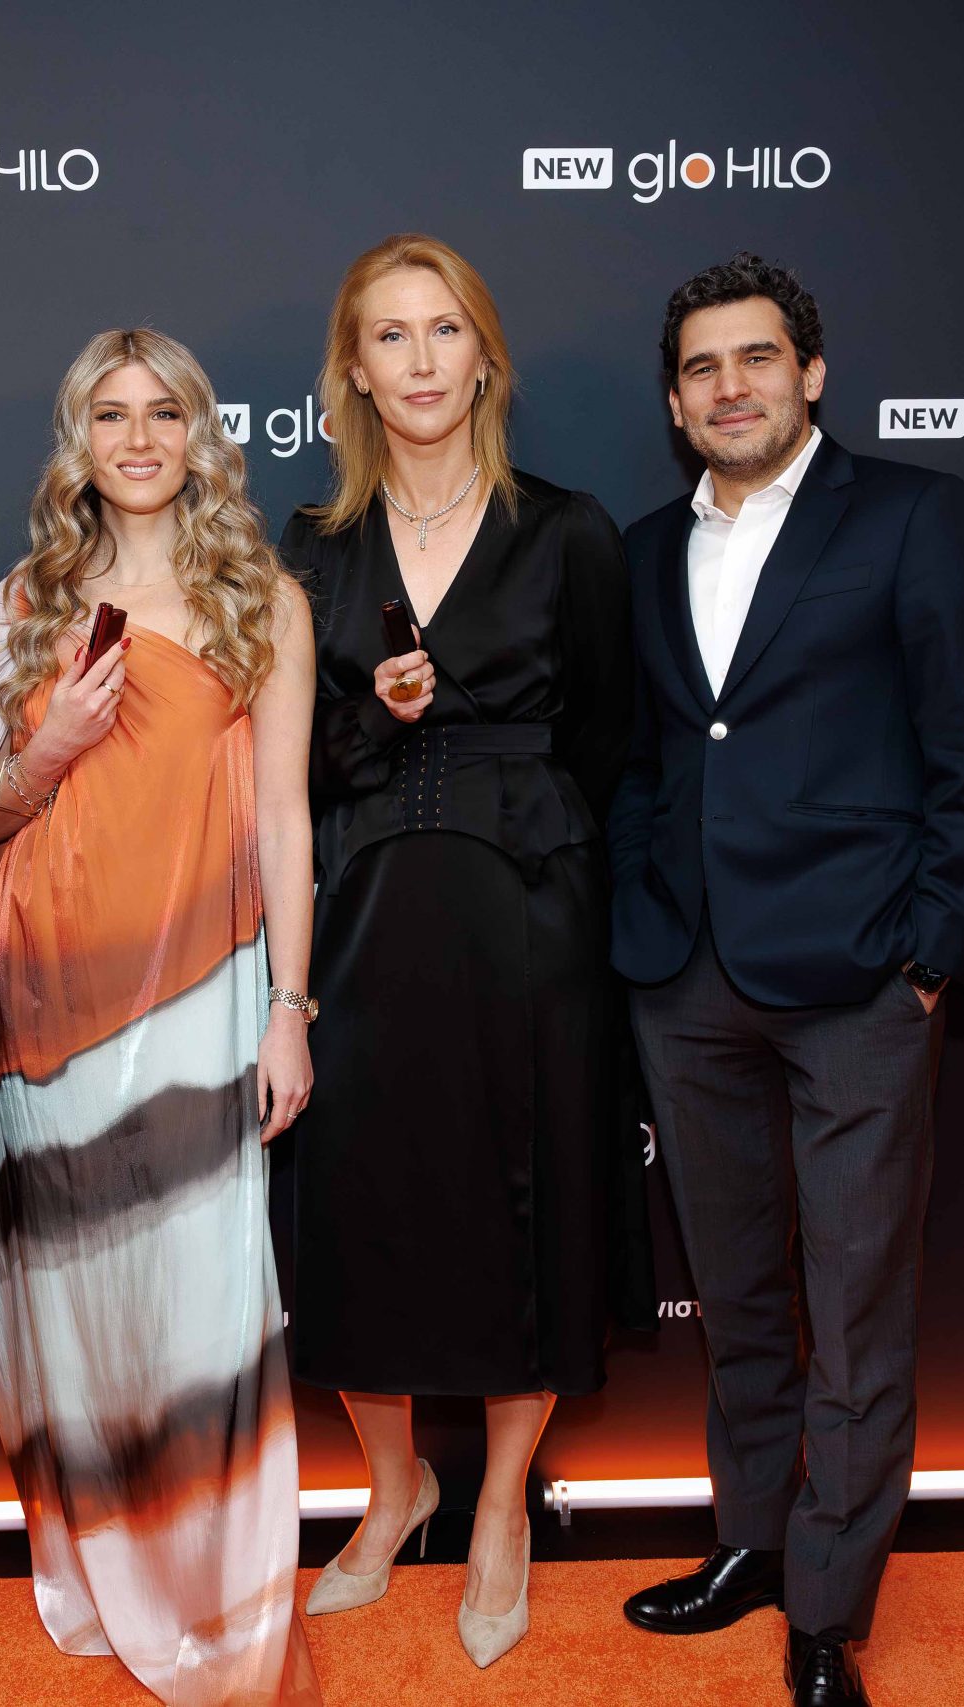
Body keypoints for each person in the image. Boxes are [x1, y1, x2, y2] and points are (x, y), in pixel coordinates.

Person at [610, 254, 964, 1707]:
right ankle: (754, 1539)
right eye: (703, 368)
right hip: (687, 976)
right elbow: (644, 759)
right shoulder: (644, 551)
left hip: (859, 979)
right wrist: (640, 910)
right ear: (676, 404)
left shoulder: (911, 514)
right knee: (735, 1292)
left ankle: (829, 1610)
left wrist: (935, 951)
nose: (732, 387)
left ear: (812, 374)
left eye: (758, 358)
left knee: (855, 1306)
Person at [280, 233, 650, 1670]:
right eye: (391, 335)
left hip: (531, 911)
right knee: (358, 1203)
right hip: (367, 909)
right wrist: (374, 718)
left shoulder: (568, 531)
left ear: (484, 358)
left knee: (526, 1200)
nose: (421, 359)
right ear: (354, 370)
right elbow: (288, 765)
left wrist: (518, 819)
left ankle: (499, 1506)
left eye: (445, 330)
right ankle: (395, 1493)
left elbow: (607, 736)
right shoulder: (312, 546)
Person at [0, 328, 322, 1705]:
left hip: (203, 997)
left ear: (201, 433)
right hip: (45, 1009)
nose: (141, 438)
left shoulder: (260, 603)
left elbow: (287, 818)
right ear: (80, 442)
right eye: (112, 415)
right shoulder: (25, 601)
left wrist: (288, 1009)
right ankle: (104, 1564)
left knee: (202, 1305)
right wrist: (47, 752)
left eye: (166, 412)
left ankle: (220, 1605)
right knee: (78, 1303)